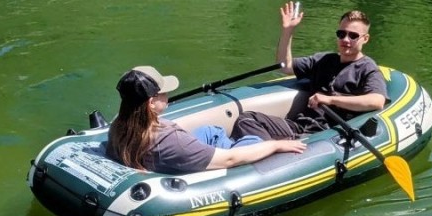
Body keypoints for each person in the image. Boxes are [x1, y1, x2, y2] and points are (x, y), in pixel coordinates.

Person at [106, 65, 305, 174]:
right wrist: (275, 145)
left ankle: (227, 144)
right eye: (164, 92)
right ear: (151, 102)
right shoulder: (172, 141)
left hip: (173, 156)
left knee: (211, 131)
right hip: (186, 163)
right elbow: (230, 159)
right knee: (254, 140)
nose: (167, 95)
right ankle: (251, 144)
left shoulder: (118, 124)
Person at [230, 2, 388, 140]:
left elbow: (377, 101)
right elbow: (285, 66)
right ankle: (273, 149)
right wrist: (288, 31)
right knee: (246, 120)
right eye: (341, 34)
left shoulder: (367, 68)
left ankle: (274, 150)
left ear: (365, 38)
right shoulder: (324, 60)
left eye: (353, 36)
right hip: (299, 127)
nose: (345, 40)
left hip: (326, 135)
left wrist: (330, 100)